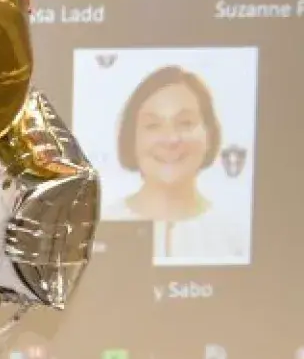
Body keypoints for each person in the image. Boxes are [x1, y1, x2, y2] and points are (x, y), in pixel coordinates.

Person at [103, 65, 249, 264]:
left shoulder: (235, 239)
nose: (171, 139)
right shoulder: (98, 229)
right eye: (153, 125)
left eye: (185, 123)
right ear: (131, 139)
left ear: (209, 134)